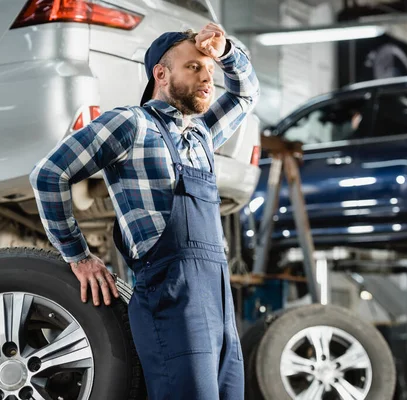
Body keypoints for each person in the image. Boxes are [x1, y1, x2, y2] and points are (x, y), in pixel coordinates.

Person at [29, 22, 260, 400]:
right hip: (170, 299)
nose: (207, 78)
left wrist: (226, 51)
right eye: (194, 67)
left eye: (210, 70)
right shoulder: (131, 124)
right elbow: (48, 174)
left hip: (218, 303)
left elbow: (246, 93)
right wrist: (79, 256)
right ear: (161, 74)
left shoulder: (200, 136)